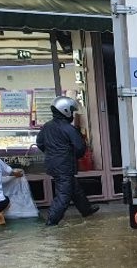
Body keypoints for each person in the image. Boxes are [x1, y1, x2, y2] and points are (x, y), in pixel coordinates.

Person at [37, 96, 99, 226]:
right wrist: (71, 156)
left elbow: (40, 143)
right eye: (71, 110)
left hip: (52, 164)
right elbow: (80, 147)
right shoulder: (68, 128)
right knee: (64, 195)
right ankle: (52, 221)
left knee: (73, 187)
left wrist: (53, 154)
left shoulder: (46, 126)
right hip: (64, 165)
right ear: (65, 110)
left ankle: (86, 209)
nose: (72, 113)